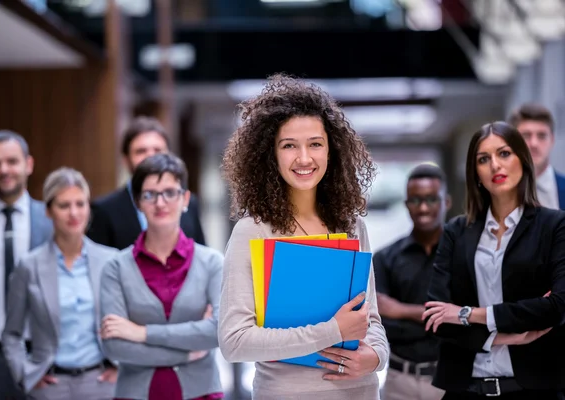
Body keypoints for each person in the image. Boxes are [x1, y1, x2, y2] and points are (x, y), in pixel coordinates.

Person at [218, 74, 389, 399]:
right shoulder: (253, 231)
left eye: (315, 144)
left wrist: (377, 357)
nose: (304, 158)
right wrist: (332, 331)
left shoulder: (352, 226)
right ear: (270, 155)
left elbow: (372, 321)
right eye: (289, 146)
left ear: (332, 149)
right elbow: (234, 342)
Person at [424, 121, 565, 399]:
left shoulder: (554, 226)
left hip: (534, 390)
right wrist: (504, 336)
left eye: (504, 154)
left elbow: (557, 307)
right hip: (466, 390)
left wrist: (468, 314)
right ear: (475, 173)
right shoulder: (455, 231)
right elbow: (437, 319)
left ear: (522, 160)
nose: (495, 165)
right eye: (483, 159)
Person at [99, 153, 223, 400]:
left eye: (170, 192)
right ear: (137, 202)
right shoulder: (115, 267)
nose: (160, 202)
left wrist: (141, 333)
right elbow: (114, 345)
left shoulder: (212, 263)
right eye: (150, 194)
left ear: (185, 199)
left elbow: (218, 331)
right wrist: (187, 352)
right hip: (134, 394)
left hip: (202, 393)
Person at [2, 167, 118, 400]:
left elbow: (131, 319)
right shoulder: (29, 266)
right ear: (48, 211)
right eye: (64, 205)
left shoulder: (111, 260)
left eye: (80, 203)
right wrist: (25, 374)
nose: (74, 213)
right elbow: (11, 334)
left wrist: (122, 365)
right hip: (50, 387)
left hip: (101, 384)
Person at [0, 130, 53, 399]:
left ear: (28, 164)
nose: (4, 170)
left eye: (12, 161)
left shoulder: (52, 222)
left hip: (41, 361)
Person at [374, 163, 450, 400]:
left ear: (446, 202)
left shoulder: (464, 255)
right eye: (415, 200)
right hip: (399, 382)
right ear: (407, 204)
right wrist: (441, 318)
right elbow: (382, 324)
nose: (424, 208)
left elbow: (467, 319)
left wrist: (400, 310)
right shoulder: (385, 258)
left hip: (450, 380)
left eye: (431, 199)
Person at [88, 116, 205, 248]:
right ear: (125, 160)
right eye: (141, 151)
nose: (151, 156)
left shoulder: (189, 203)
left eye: (157, 150)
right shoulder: (103, 210)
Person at [508, 103, 565, 209]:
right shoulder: (498, 194)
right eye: (526, 135)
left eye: (541, 136)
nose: (534, 144)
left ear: (552, 140)